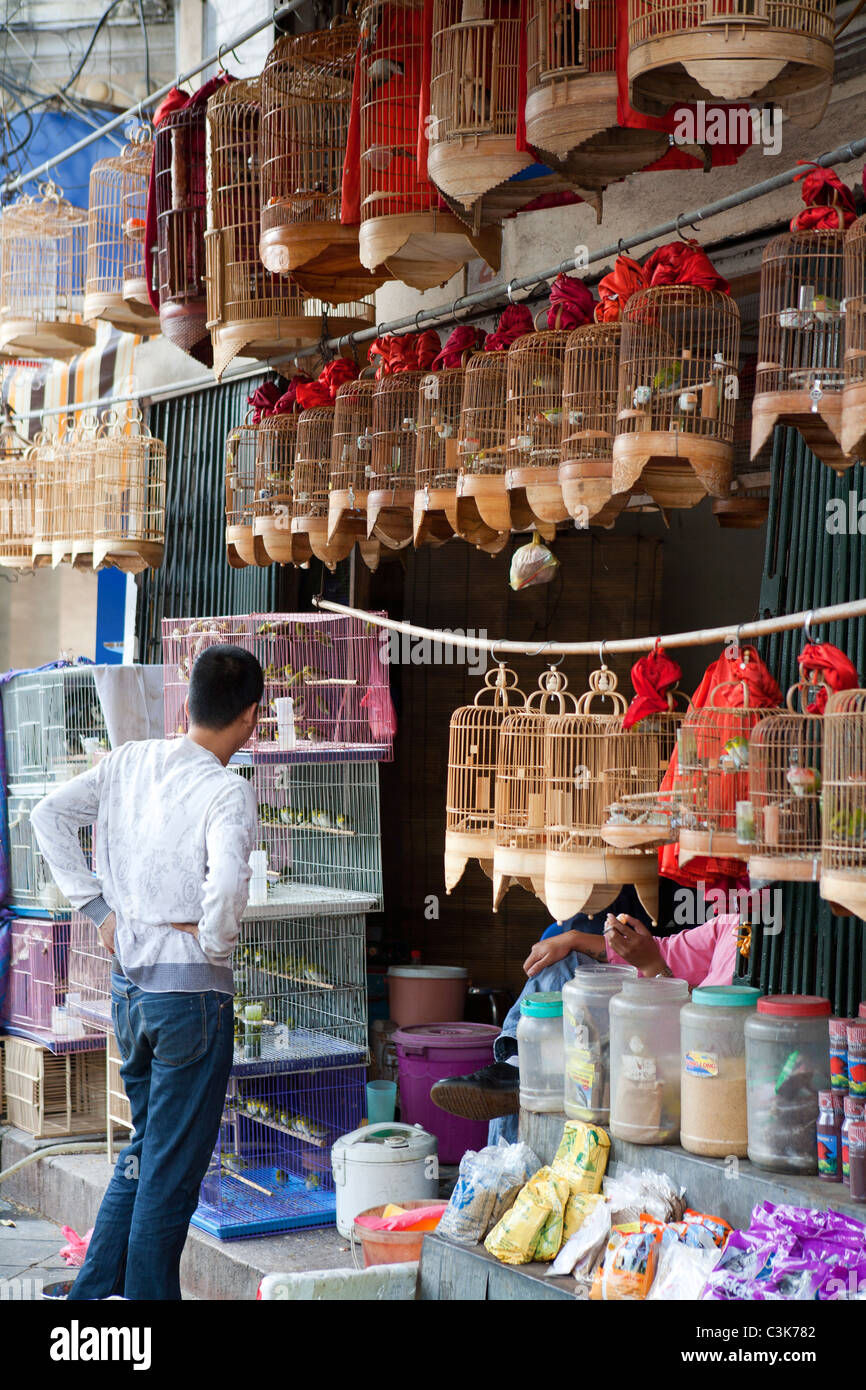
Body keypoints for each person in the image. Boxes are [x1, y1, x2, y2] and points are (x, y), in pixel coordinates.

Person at [30, 645, 262, 1301]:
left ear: (185, 705)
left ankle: (94, 1291)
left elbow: (47, 816)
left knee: (146, 1148)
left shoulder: (130, 761)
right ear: (250, 718)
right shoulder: (226, 791)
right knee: (170, 1170)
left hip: (130, 990)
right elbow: (227, 890)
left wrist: (100, 908)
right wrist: (215, 939)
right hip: (190, 1000)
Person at [431, 885, 740, 1144]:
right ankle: (514, 1063)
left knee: (533, 1079)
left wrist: (654, 971)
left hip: (694, 1070)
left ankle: (514, 1093)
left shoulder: (772, 952)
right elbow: (668, 951)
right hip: (653, 1024)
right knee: (564, 967)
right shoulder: (733, 925)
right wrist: (573, 939)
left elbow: (712, 1042)